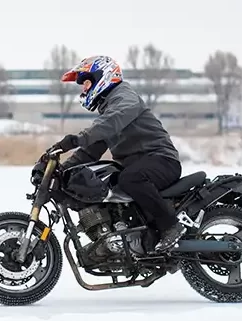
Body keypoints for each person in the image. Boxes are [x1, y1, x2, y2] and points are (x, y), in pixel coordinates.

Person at [48, 54, 185, 253]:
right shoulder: (108, 111)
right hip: (140, 165)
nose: (84, 89)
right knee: (109, 181)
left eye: (86, 82)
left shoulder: (124, 98)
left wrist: (77, 138)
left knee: (130, 179)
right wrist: (60, 169)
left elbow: (111, 121)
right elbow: (90, 151)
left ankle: (171, 226)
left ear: (103, 76)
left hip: (161, 160)